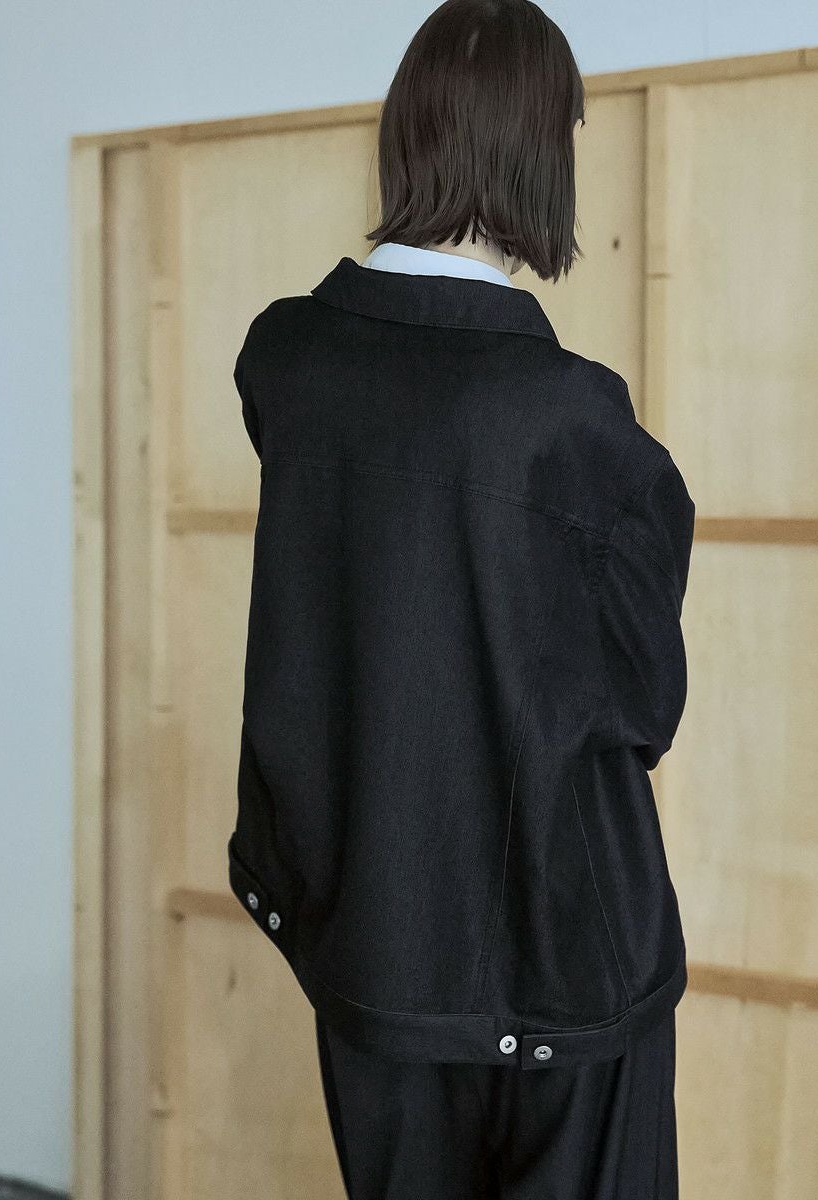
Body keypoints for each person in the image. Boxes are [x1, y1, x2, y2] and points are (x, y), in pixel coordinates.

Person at [228, 1, 696, 1196]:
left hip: (372, 948)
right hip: (565, 960)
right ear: (542, 152)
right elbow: (643, 705)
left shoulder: (284, 360)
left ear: (407, 135)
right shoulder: (567, 414)